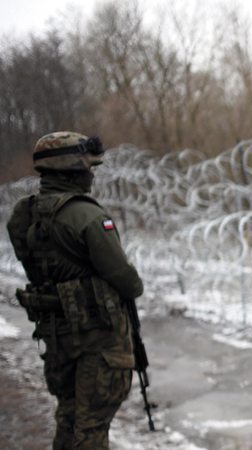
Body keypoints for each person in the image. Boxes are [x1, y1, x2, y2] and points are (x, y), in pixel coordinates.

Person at [6, 131, 144, 449]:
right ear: (72, 169)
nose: (92, 173)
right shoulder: (86, 215)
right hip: (96, 336)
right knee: (92, 427)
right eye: (88, 167)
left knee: (67, 417)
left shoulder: (22, 216)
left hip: (56, 333)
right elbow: (127, 280)